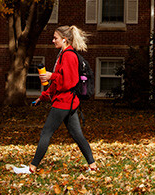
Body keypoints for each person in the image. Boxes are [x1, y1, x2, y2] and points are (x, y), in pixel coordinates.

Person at [17, 25, 97, 174]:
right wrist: (43, 97)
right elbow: (58, 82)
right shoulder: (63, 54)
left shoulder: (68, 56)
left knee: (46, 132)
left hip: (64, 102)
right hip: (69, 102)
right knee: (76, 134)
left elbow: (69, 82)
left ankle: (32, 167)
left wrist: (51, 75)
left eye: (56, 38)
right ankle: (92, 165)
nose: (53, 40)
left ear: (65, 40)